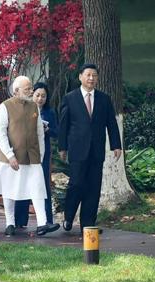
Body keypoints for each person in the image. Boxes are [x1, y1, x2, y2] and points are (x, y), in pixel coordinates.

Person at [0, 76, 60, 236]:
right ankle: (10, 223)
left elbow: (39, 133)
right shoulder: (5, 107)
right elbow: (1, 133)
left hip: (33, 156)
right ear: (16, 91)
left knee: (38, 188)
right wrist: (9, 155)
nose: (31, 91)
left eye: (31, 88)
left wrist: (42, 154)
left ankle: (42, 224)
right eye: (27, 89)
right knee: (10, 189)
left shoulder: (34, 107)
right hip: (11, 157)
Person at [58, 63, 122, 233]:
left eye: (94, 75)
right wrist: (62, 147)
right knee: (76, 184)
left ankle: (87, 224)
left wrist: (116, 145)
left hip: (96, 151)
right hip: (77, 150)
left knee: (93, 187)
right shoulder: (69, 98)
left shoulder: (104, 99)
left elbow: (111, 123)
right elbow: (63, 125)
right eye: (88, 75)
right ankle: (69, 216)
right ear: (80, 77)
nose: (91, 78)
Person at [14, 82, 59, 229]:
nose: (40, 99)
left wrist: (47, 129)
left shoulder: (49, 112)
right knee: (23, 184)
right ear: (32, 95)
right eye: (37, 95)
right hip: (26, 153)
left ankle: (47, 221)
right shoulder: (24, 109)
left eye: (43, 96)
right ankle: (19, 221)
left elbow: (57, 132)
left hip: (42, 154)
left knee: (43, 185)